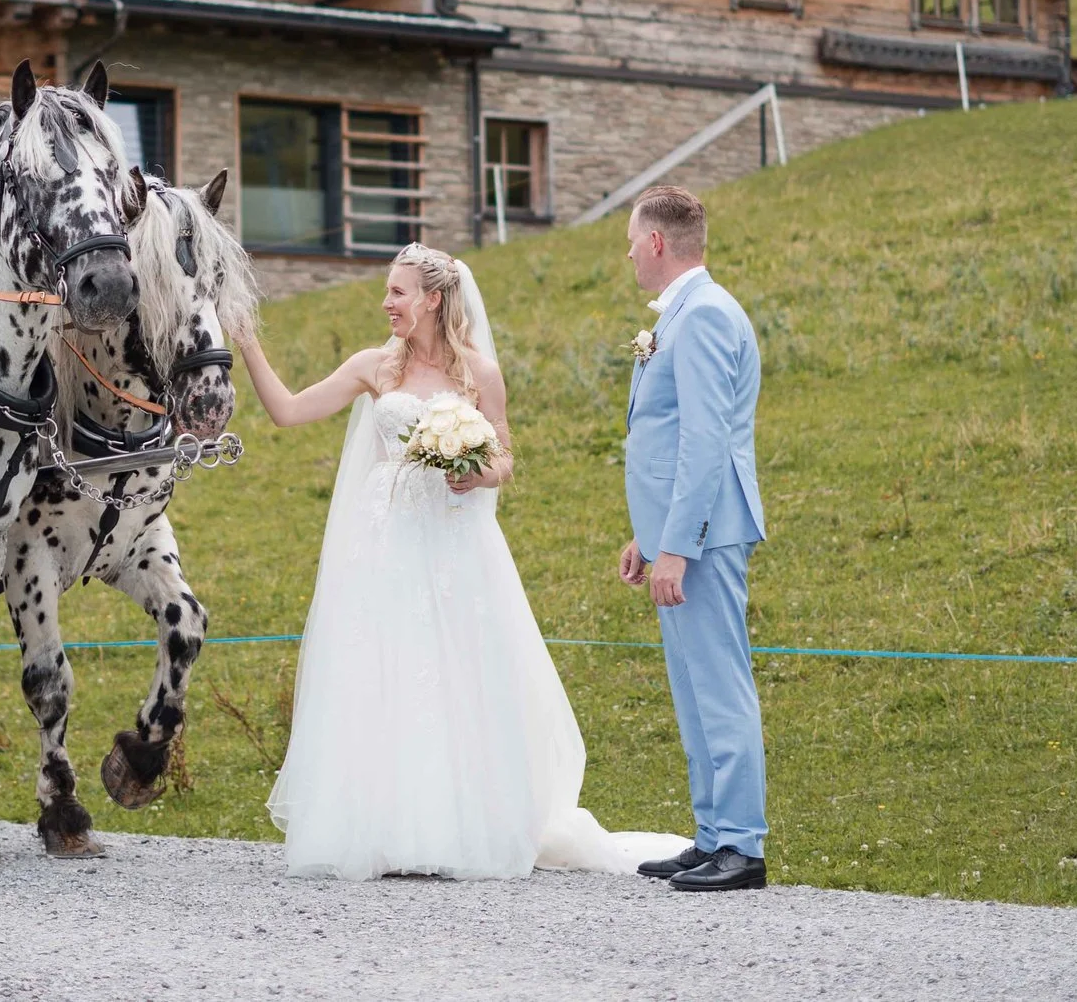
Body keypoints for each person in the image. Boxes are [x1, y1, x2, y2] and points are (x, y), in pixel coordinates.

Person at [234, 242, 683, 880]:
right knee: (380, 672)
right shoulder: (372, 368)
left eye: (397, 291)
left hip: (453, 547)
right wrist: (248, 341)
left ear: (433, 299)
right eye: (387, 291)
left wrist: (476, 473)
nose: (386, 302)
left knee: (454, 674)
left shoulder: (479, 374)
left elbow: (504, 458)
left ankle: (454, 829)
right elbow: (286, 411)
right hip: (383, 545)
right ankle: (381, 829)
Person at [617, 185, 769, 892]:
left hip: (706, 537)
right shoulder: (684, 313)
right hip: (679, 535)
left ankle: (742, 843)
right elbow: (670, 438)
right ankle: (711, 834)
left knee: (719, 684)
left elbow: (706, 441)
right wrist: (649, 539)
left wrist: (679, 544)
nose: (627, 253)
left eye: (630, 240)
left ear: (656, 242)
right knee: (691, 688)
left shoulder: (704, 315)